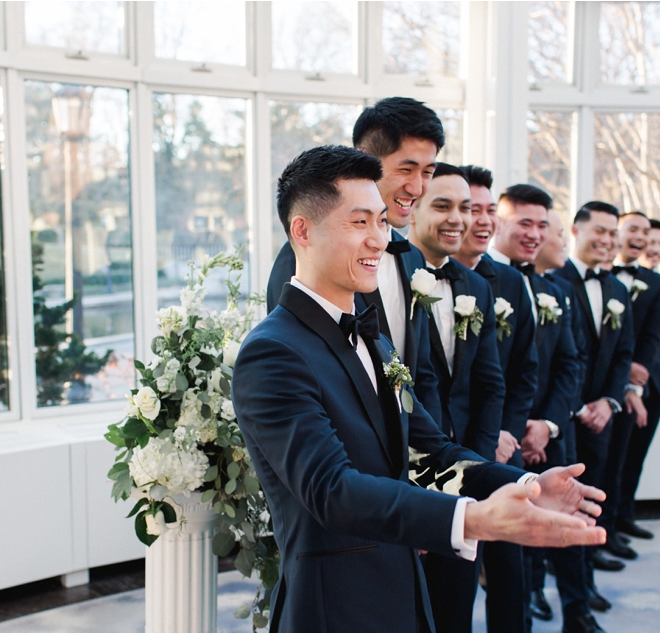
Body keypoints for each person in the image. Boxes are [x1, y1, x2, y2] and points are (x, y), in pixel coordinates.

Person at [233, 144, 607, 632]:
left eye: (381, 221)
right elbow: (332, 491)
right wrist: (473, 519)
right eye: (358, 222)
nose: (379, 239)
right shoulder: (273, 351)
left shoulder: (377, 338)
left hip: (405, 593)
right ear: (301, 231)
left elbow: (433, 451)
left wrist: (523, 485)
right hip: (336, 608)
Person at [265, 97, 445, 424]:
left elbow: (423, 371)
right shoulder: (301, 260)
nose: (417, 187)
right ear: (366, 161)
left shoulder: (413, 256)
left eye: (427, 172)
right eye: (406, 169)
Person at [405, 163, 507, 632]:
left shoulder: (478, 287)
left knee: (455, 610)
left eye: (464, 207)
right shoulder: (388, 276)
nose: (458, 219)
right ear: (413, 209)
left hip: (464, 475)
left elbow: (490, 386)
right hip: (403, 481)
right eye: (442, 205)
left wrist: (477, 469)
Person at [487, 185, 586, 630]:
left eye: (542, 225)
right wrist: (508, 427)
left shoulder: (554, 290)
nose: (534, 233)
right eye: (524, 222)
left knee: (565, 527)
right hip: (496, 438)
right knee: (503, 555)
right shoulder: (479, 278)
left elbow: (569, 363)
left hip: (547, 431)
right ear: (498, 223)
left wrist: (546, 424)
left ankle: (574, 612)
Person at [453, 166, 540, 632]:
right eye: (473, 210)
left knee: (510, 572)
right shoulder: (417, 279)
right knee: (454, 580)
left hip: (500, 447)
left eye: (490, 210)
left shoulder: (509, 284)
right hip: (446, 455)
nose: (483, 220)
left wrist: (507, 430)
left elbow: (524, 370)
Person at [555, 201, 635, 632]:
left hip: (602, 417)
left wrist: (608, 402)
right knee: (564, 510)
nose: (606, 241)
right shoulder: (555, 279)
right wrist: (576, 406)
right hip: (563, 419)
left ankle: (583, 590)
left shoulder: (618, 291)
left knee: (593, 509)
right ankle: (557, 600)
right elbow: (556, 358)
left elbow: (624, 354)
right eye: (599, 231)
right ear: (576, 230)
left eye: (612, 234)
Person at [597, 212, 660, 561]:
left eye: (646, 231)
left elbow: (655, 339)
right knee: (595, 464)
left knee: (618, 462)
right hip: (598, 384)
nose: (640, 236)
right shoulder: (597, 274)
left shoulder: (657, 286)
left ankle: (609, 529)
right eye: (632, 230)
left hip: (632, 386)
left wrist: (633, 384)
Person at [616, 219, 660, 540]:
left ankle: (624, 515)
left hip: (657, 384)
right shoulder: (615, 277)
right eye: (647, 240)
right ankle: (610, 521)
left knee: (636, 456)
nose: (653, 248)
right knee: (616, 456)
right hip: (622, 384)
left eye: (659, 243)